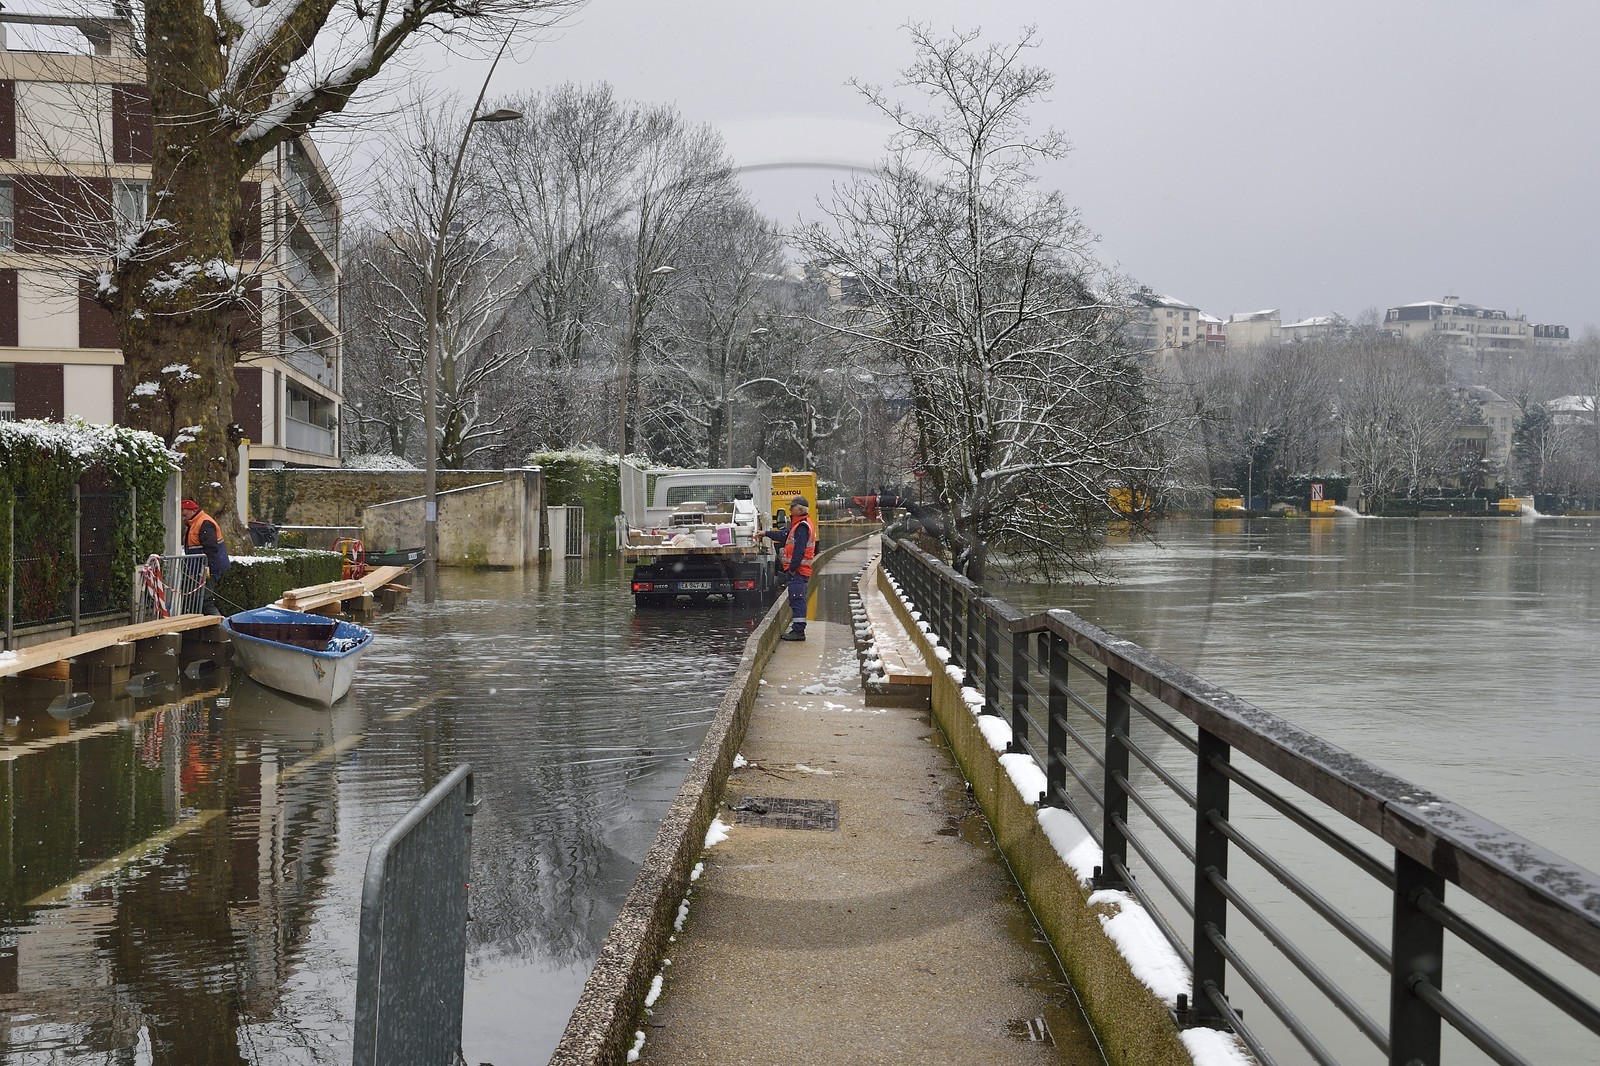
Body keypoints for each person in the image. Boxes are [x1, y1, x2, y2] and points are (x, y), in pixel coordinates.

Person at [765, 495, 816, 641]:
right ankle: (797, 629)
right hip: (800, 570)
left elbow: (799, 550)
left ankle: (798, 631)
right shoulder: (800, 525)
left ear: (799, 509)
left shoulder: (801, 527)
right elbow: (784, 535)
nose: (789, 509)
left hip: (798, 571)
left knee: (797, 599)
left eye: (792, 507)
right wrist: (766, 533)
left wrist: (792, 568)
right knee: (797, 598)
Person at [181, 498, 231, 614]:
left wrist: (206, 568)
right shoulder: (196, 522)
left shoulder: (204, 523)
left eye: (185, 514)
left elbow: (211, 548)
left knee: (204, 599)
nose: (183, 517)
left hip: (210, 568)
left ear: (193, 511)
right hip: (206, 567)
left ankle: (218, 625)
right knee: (200, 598)